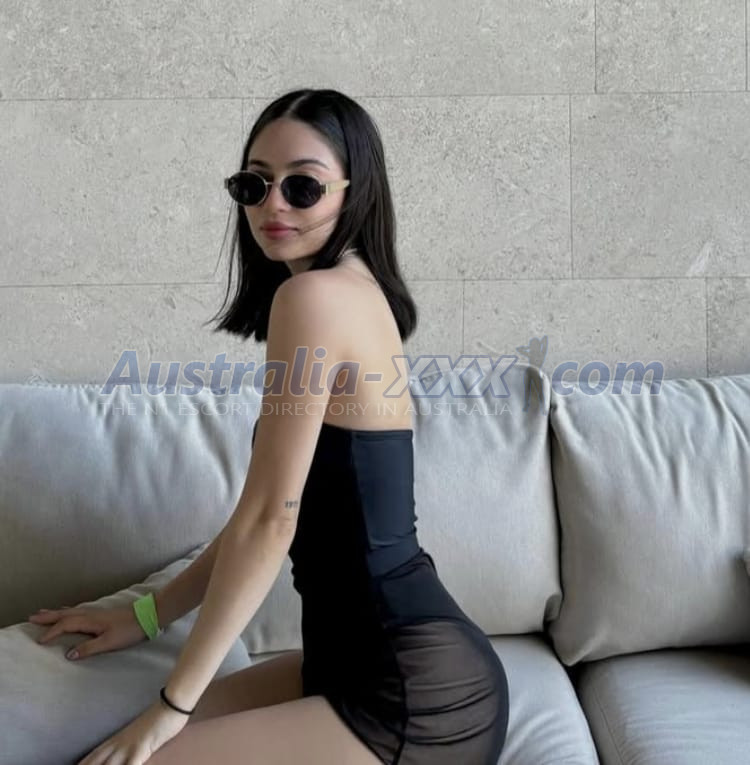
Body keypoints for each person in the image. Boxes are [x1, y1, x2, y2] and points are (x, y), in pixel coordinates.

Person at [37, 87, 509, 765]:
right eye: (253, 185)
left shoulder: (313, 297)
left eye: (302, 186)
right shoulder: (349, 288)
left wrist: (173, 706)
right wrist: (144, 616)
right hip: (354, 666)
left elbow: (269, 523)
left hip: (413, 695)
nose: (272, 206)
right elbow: (261, 517)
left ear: (354, 192)